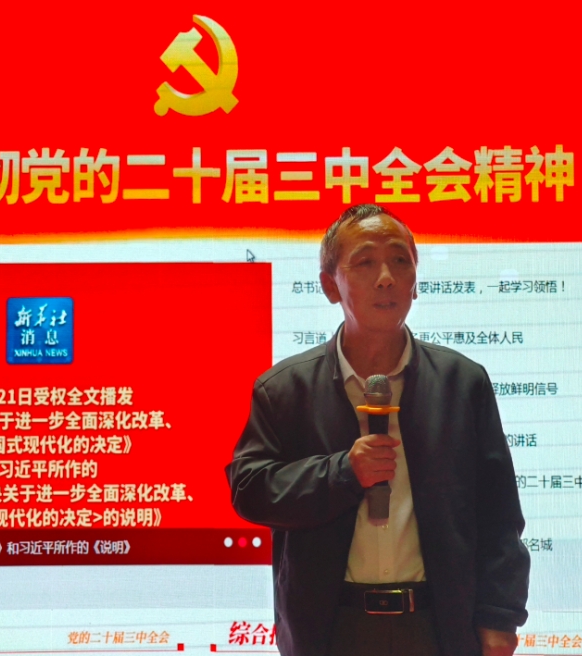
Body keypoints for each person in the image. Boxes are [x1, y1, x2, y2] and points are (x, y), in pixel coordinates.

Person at [226, 204, 529, 656]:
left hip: (439, 625)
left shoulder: (462, 383)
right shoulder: (285, 389)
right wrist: (342, 472)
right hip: (332, 629)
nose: (386, 278)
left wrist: (500, 616)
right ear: (331, 285)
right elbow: (249, 489)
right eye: (365, 262)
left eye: (400, 261)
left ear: (415, 281)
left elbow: (499, 514)